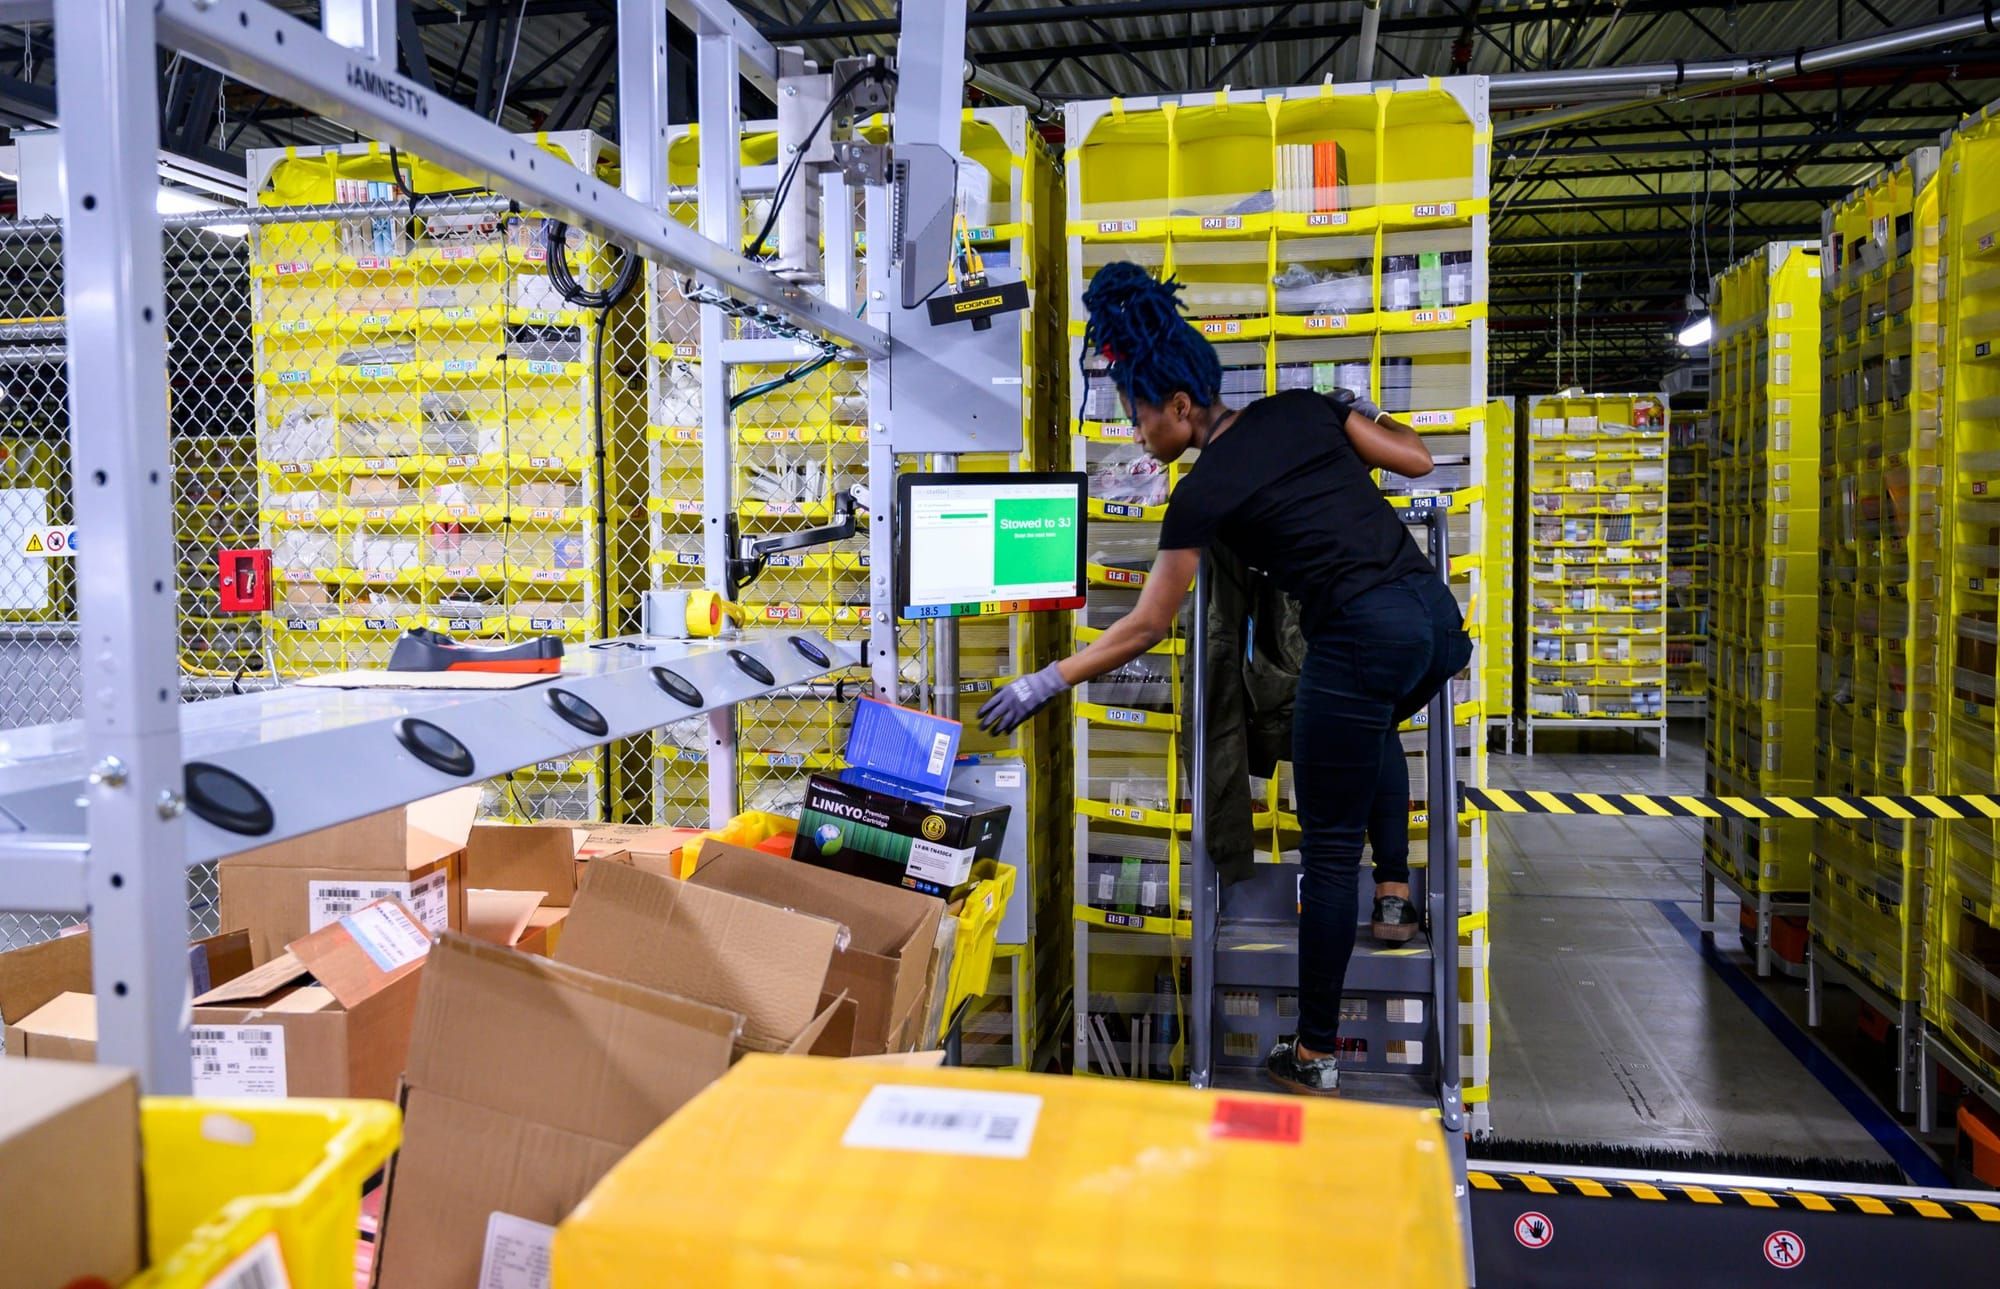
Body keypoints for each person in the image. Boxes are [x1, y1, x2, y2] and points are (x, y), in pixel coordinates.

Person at [978, 263, 1471, 1095]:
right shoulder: (1304, 408)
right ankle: (1394, 892)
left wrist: (1045, 681)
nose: (1135, 434)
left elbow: (1145, 625)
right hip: (1432, 623)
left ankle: (1312, 1053)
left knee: (1325, 851)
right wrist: (1354, 411)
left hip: (1356, 637)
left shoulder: (1201, 494)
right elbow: (1417, 461)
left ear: (1180, 406)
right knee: (1374, 727)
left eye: (1139, 416)